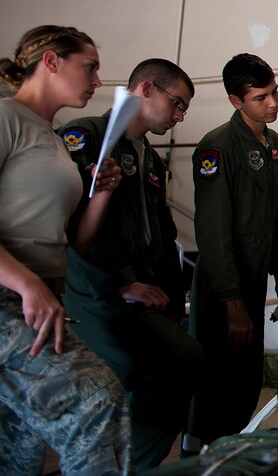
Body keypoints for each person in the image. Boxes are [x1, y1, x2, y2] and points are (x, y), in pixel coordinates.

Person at [59, 58, 205, 471]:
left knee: (180, 362)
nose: (178, 116)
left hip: (137, 290)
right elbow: (69, 226)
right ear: (145, 89)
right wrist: (122, 282)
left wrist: (174, 297)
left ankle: (134, 465)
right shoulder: (86, 137)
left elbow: (161, 238)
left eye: (184, 110)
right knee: (124, 381)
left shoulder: (150, 160)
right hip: (94, 291)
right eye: (176, 103)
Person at [0, 25, 129, 474]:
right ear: (51, 61)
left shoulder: (53, 137)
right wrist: (28, 284)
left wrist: (102, 192)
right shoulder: (5, 118)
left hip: (39, 293)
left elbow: (76, 239)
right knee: (95, 402)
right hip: (10, 295)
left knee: (18, 444)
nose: (97, 81)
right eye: (89, 67)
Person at [186, 54, 278, 451]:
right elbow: (214, 234)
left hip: (253, 281)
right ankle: (196, 454)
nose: (273, 103)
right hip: (222, 286)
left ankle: (230, 451)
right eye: (260, 97)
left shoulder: (273, 143)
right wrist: (232, 305)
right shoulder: (217, 147)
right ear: (236, 101)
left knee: (247, 380)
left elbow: (277, 214)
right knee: (214, 382)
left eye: (274, 92)